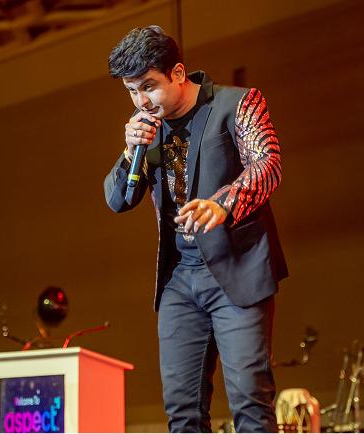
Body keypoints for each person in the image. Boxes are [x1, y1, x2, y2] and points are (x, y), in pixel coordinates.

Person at [104, 25, 288, 433]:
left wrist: (223, 204)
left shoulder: (237, 103)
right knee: (182, 410)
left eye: (148, 87)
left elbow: (268, 164)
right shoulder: (146, 129)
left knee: (250, 403)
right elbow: (119, 200)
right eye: (132, 91)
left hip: (237, 269)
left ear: (178, 73)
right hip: (179, 279)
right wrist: (129, 152)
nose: (141, 101)